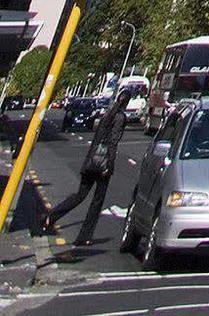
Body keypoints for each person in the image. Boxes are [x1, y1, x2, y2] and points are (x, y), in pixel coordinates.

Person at [43, 84, 141, 244]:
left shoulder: (107, 115)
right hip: (103, 163)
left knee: (80, 195)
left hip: (91, 160)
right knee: (97, 201)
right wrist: (109, 164)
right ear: (127, 102)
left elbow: (98, 139)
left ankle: (52, 215)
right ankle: (84, 237)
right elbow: (113, 142)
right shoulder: (120, 117)